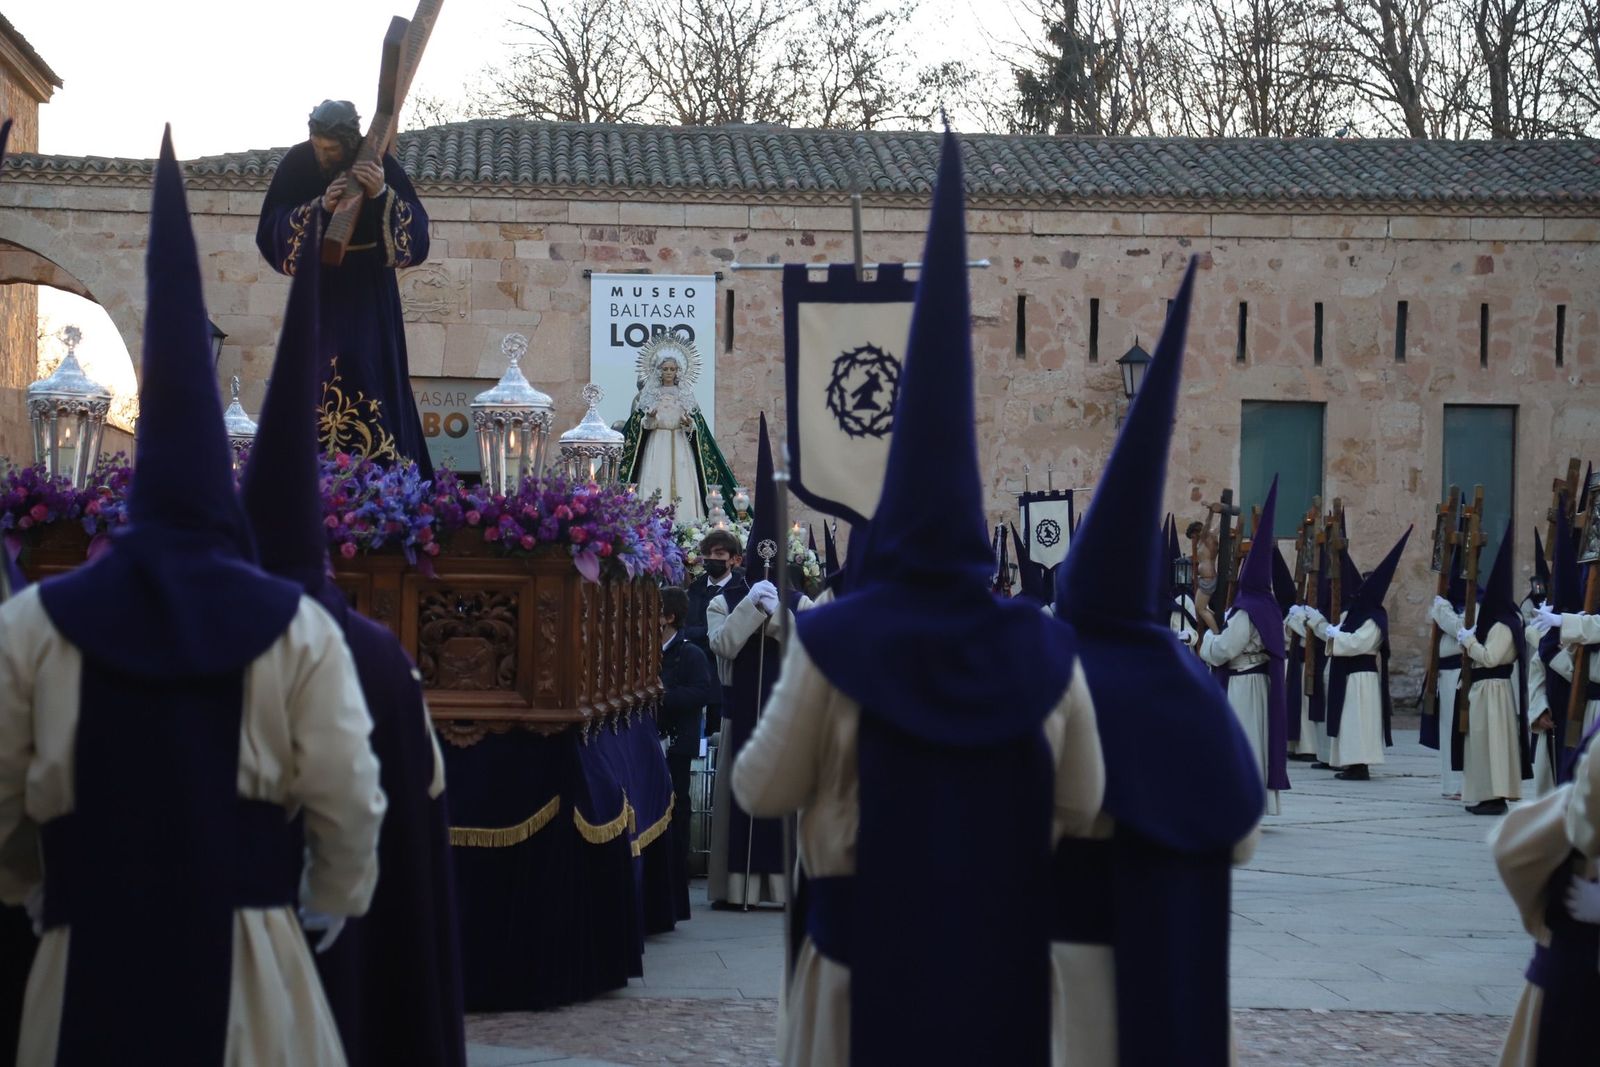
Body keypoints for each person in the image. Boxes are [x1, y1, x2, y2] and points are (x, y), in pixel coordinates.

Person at [0, 130, 385, 1065]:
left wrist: (34, 884)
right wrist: (331, 898)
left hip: (83, 961)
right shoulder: (296, 631)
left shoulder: (34, 627)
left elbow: (5, 799)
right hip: (251, 969)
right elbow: (349, 800)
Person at [734, 130, 1105, 1067]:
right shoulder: (1044, 651)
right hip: (1002, 968)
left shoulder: (833, 642)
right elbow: (1084, 800)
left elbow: (759, 784)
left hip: (861, 969)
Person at [238, 206, 466, 1067]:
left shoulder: (67, 634)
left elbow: (409, 239)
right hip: (276, 945)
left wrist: (376, 188)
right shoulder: (371, 660)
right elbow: (364, 811)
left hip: (368, 317)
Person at [1051, 258, 1263, 1067]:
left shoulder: (1052, 672)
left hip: (1065, 969)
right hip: (1182, 975)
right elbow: (1240, 832)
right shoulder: (1187, 683)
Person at [256, 99, 434, 475]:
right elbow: (270, 230)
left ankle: (382, 477)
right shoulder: (297, 164)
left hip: (370, 295)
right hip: (318, 294)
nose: (322, 155)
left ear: (350, 143)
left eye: (331, 149)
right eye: (318, 146)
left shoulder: (378, 163)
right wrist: (318, 208)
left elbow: (418, 237)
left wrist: (382, 194)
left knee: (365, 366)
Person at [706, 414, 811, 908]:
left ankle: (778, 890)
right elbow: (723, 645)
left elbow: (809, 646)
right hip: (740, 712)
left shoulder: (799, 603)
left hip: (783, 718)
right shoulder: (724, 600)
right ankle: (737, 887)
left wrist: (777, 616)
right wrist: (752, 606)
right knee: (739, 800)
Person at [1201, 479, 1290, 816]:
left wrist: (1206, 640)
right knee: (1253, 741)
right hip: (1259, 684)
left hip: (1243, 685)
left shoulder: (1247, 610)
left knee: (1243, 743)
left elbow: (1225, 649)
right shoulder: (1268, 606)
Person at [1295, 532, 1408, 782]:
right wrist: (1320, 624)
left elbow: (1354, 643)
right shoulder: (1354, 614)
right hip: (1347, 674)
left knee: (1359, 722)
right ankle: (1349, 762)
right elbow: (1337, 635)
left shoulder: (1374, 619)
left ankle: (1360, 764)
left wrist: (1325, 630)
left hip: (1361, 676)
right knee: (1348, 721)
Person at [1456, 524, 1532, 816]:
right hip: (1484, 690)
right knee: (1481, 743)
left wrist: (1470, 641)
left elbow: (1491, 657)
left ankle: (1496, 795)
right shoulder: (1502, 620)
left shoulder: (1504, 624)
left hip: (1494, 690)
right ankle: (1485, 793)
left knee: (1494, 743)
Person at [618, 336, 737, 522]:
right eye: (665, 369)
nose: (668, 373)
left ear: (678, 371)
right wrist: (650, 419)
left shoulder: (685, 394)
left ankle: (686, 522)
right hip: (657, 443)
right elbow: (641, 427)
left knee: (684, 483)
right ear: (658, 371)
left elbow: (696, 428)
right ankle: (653, 522)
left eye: (672, 369)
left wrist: (688, 423)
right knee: (655, 479)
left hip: (681, 444)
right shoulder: (650, 395)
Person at [656, 585, 718, 919]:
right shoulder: (645, 648)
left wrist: (660, 695)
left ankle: (677, 870)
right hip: (653, 738)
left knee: (677, 805)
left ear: (669, 617)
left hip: (677, 742)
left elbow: (700, 692)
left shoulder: (689, 653)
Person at [685, 529, 743, 735]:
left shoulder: (741, 589)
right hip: (693, 672)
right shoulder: (695, 587)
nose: (712, 559)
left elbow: (728, 631)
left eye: (719, 555)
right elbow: (686, 625)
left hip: (723, 672)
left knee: (718, 732)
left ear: (733, 560)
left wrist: (698, 635)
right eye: (708, 554)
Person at [1428, 545, 1469, 799]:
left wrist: (1442, 611)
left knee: (1459, 729)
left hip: (1460, 672)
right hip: (1444, 674)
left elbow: (1462, 632)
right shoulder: (1447, 605)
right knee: (1446, 729)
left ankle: (1462, 784)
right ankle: (1449, 783)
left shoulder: (1474, 605)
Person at [1187, 504, 1223, 632]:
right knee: (1201, 608)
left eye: (1192, 537)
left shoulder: (1204, 538)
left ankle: (1217, 633)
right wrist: (1222, 512)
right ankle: (1219, 624)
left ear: (1196, 533)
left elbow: (1208, 523)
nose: (1193, 540)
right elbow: (1220, 524)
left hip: (1208, 578)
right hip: (1207, 577)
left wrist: (1211, 512)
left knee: (1200, 609)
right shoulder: (1211, 535)